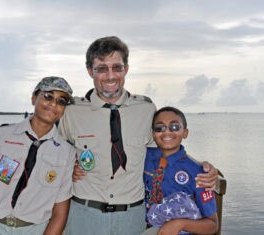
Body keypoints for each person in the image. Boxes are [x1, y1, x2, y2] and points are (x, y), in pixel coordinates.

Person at [58, 36, 218, 235]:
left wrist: (204, 167)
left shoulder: (145, 109)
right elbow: (53, 150)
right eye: (101, 68)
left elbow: (166, 148)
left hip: (132, 218)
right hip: (84, 215)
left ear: (126, 69)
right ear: (90, 71)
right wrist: (67, 167)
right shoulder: (73, 112)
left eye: (117, 67)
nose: (110, 76)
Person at [0, 76, 76, 235]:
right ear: (34, 98)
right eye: (48, 96)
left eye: (61, 101)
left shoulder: (67, 152)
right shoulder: (1, 137)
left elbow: (60, 213)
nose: (54, 104)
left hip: (37, 230)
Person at [142, 106, 218, 235]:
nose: (167, 132)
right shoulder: (143, 157)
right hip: (147, 226)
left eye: (174, 127)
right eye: (159, 128)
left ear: (185, 133)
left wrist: (180, 223)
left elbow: (212, 225)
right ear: (153, 134)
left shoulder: (198, 173)